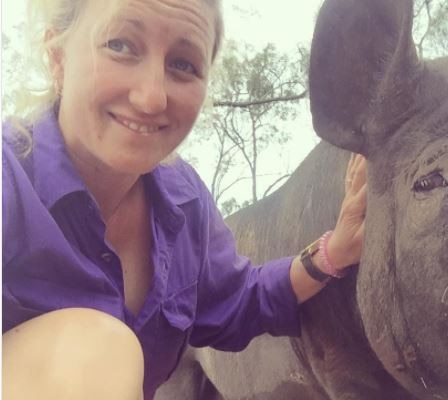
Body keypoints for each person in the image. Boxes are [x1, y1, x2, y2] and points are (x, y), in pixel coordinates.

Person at [1, 0, 368, 399]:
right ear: (58, 56)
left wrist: (333, 252)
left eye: (183, 64)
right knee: (94, 350)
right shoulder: (10, 177)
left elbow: (239, 300)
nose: (151, 98)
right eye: (120, 45)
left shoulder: (185, 200)